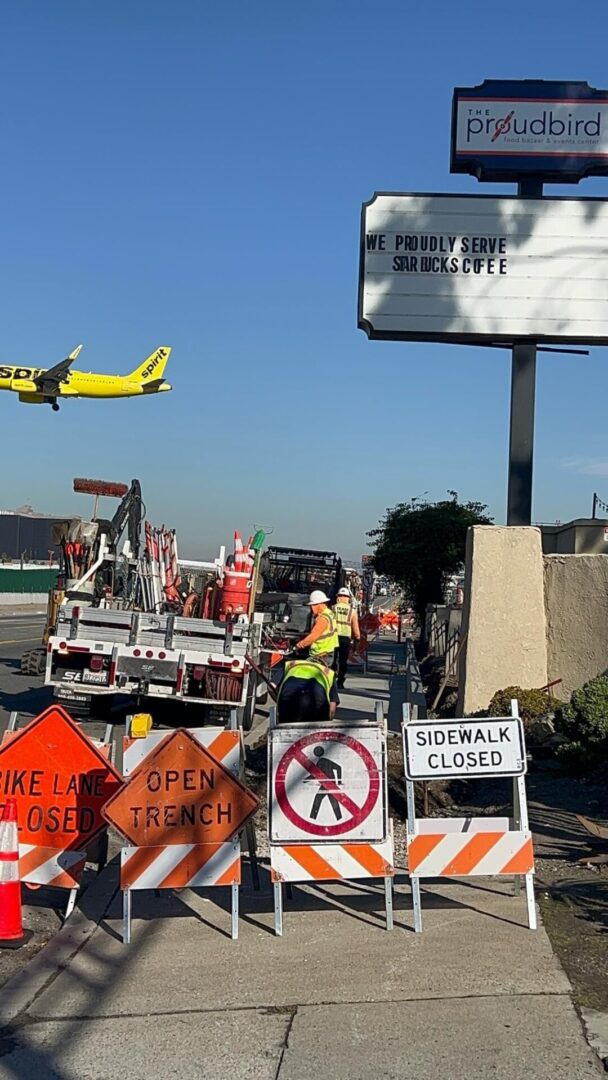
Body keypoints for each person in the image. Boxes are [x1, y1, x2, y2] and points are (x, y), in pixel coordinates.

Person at [276, 656, 339, 724]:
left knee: (286, 728)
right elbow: (332, 706)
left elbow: (271, 686)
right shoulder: (328, 672)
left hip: (289, 697)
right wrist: (327, 724)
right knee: (314, 732)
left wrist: (280, 700)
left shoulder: (291, 664)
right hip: (317, 701)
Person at [296, 590, 339, 669]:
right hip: (327, 652)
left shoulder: (322, 619)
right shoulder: (329, 613)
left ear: (319, 604)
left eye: (312, 605)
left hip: (320, 654)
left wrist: (299, 645)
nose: (311, 608)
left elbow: (313, 636)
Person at [333, 586, 361, 689]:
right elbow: (355, 626)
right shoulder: (352, 611)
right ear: (348, 598)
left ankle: (330, 679)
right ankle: (340, 681)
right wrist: (357, 638)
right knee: (343, 661)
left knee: (333, 659)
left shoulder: (333, 608)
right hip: (345, 638)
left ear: (338, 597)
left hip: (333, 637)